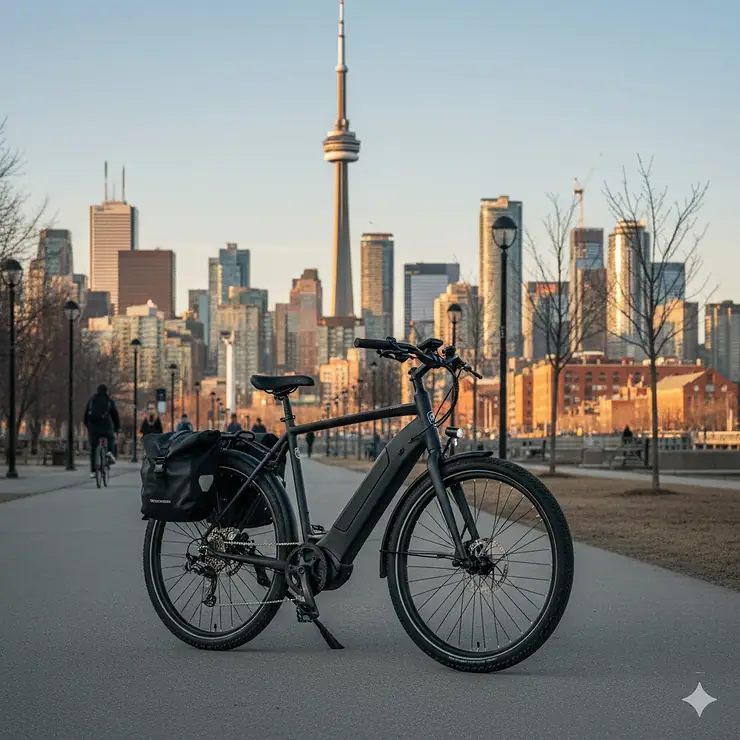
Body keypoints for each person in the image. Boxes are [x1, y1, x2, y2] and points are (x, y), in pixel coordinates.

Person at [83, 384, 121, 478]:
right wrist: (117, 428)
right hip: (106, 427)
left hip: (93, 428)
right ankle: (109, 452)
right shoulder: (109, 400)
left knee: (93, 449)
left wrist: (88, 427)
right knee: (110, 438)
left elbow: (86, 415)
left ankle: (93, 471)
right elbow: (115, 415)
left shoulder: (92, 400)